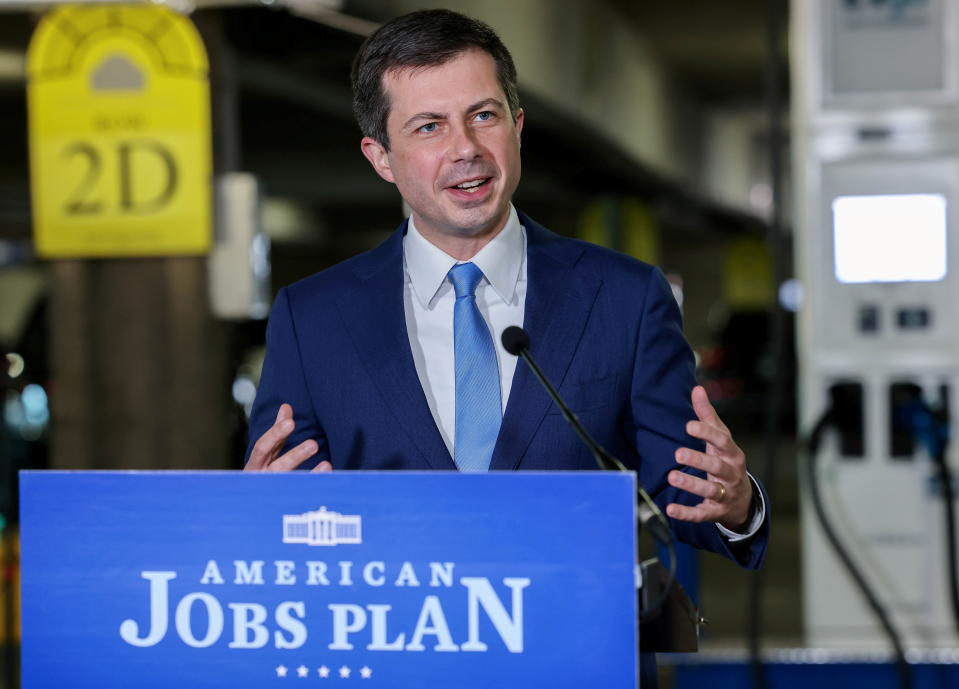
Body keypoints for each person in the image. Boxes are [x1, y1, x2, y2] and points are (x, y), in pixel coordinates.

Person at [245, 9, 767, 686]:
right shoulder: (309, 317)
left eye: (483, 116)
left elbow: (682, 490)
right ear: (380, 156)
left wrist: (736, 504)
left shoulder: (624, 298)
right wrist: (255, 515)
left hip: (578, 662)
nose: (465, 147)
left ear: (517, 128)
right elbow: (287, 521)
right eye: (428, 126)